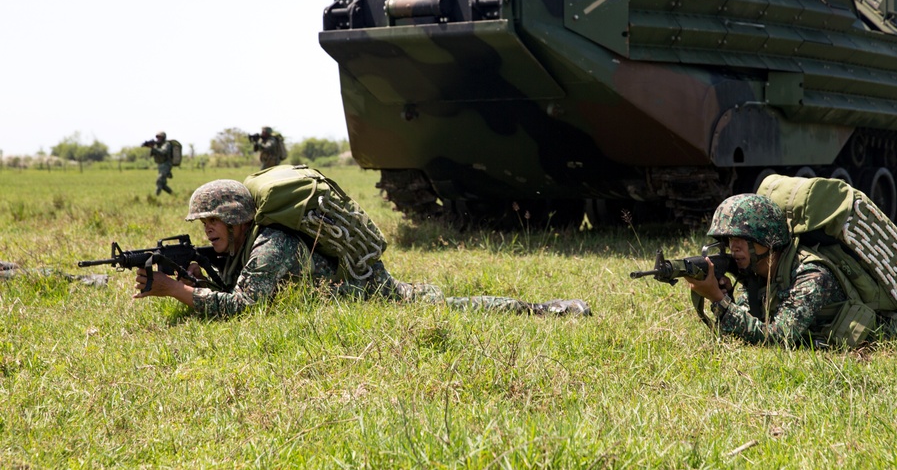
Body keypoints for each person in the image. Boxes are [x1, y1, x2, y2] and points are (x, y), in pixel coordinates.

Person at [134, 179, 591, 319]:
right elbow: (245, 288)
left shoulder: (270, 246)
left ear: (238, 219)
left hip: (371, 294)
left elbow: (242, 307)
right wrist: (194, 280)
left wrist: (173, 289)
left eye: (215, 221)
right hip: (350, 294)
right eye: (204, 223)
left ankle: (546, 310)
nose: (209, 229)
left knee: (453, 305)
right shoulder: (249, 244)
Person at [684, 193, 897, 347]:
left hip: (892, 325)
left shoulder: (812, 276)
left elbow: (780, 338)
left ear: (767, 241)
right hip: (842, 321)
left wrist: (720, 303)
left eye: (741, 240)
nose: (733, 248)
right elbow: (761, 317)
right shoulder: (763, 271)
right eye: (729, 241)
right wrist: (725, 297)